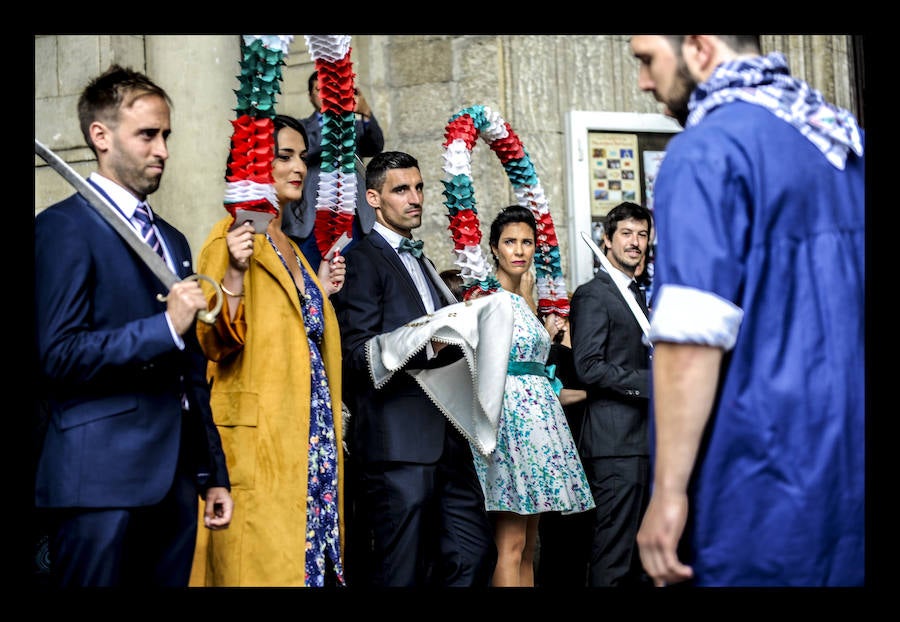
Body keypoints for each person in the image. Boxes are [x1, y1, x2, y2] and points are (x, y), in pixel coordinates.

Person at [629, 35, 865, 586]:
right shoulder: (841, 144)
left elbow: (691, 338)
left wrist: (667, 493)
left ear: (699, 48)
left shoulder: (704, 152)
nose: (643, 80)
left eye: (647, 59)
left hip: (760, 474)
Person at [33, 64, 233, 587]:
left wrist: (211, 471)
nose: (163, 149)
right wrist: (163, 327)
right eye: (148, 134)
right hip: (96, 482)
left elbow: (190, 374)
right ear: (100, 136)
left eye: (166, 135)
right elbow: (57, 354)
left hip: (174, 483)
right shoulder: (62, 229)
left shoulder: (172, 239)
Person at [189, 114, 347, 587]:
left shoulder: (295, 250)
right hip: (262, 443)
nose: (299, 166)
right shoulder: (230, 235)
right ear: (256, 164)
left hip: (311, 441)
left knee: (310, 569)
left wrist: (321, 296)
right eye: (285, 156)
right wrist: (234, 274)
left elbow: (293, 333)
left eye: (302, 156)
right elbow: (213, 341)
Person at [331, 150, 496, 587]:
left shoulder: (424, 261)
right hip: (396, 447)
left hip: (448, 442)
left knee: (472, 555)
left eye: (419, 187)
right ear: (374, 198)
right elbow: (353, 357)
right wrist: (429, 344)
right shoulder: (362, 260)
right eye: (401, 189)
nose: (415, 198)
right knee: (398, 573)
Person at [472, 205, 594, 587]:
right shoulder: (485, 299)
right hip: (510, 429)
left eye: (527, 242)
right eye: (510, 242)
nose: (519, 250)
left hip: (539, 431)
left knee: (527, 544)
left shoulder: (524, 300)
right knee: (509, 544)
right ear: (494, 248)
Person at [568, 200, 654, 587]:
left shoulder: (638, 294)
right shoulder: (593, 294)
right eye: (626, 234)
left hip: (643, 442)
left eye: (642, 234)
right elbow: (588, 366)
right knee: (614, 555)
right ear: (607, 239)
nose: (635, 242)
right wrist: (649, 382)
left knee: (639, 558)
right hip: (614, 445)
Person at [282, 69, 385, 272]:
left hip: (351, 215)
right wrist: (336, 119)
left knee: (355, 274)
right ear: (310, 96)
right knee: (313, 275)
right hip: (312, 218)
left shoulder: (352, 125)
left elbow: (374, 146)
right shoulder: (302, 127)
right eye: (319, 90)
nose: (325, 95)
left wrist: (365, 114)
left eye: (329, 89)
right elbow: (310, 147)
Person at [535, 312, 592, 587]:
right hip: (562, 448)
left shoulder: (581, 357)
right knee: (559, 533)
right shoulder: (554, 353)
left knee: (575, 535)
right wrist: (594, 394)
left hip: (578, 446)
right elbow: (553, 394)